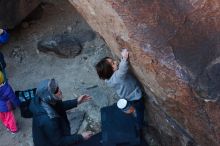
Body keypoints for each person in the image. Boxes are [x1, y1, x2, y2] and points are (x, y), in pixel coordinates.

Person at [29, 78, 93, 146]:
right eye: (56, 90)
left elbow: (58, 106)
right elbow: (59, 142)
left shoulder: (43, 100)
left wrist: (76, 101)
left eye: (58, 87)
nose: (59, 90)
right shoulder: (49, 121)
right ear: (48, 96)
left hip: (49, 137)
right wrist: (81, 137)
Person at [95, 49, 145, 131]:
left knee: (133, 107)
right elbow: (122, 69)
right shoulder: (118, 77)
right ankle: (139, 125)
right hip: (135, 96)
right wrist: (124, 58)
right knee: (140, 110)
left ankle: (132, 114)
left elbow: (119, 72)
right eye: (113, 63)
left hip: (126, 96)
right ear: (111, 70)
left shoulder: (108, 79)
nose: (115, 61)